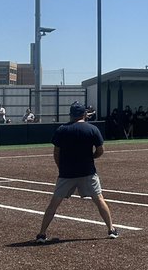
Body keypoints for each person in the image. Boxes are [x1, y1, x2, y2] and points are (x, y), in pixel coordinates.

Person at [35, 102, 117, 242]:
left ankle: (42, 234)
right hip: (88, 171)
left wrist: (61, 167)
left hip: (67, 173)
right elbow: (100, 150)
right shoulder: (92, 129)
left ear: (71, 115)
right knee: (99, 200)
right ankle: (111, 229)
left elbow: (56, 153)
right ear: (84, 114)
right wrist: (91, 157)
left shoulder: (62, 129)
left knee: (54, 203)